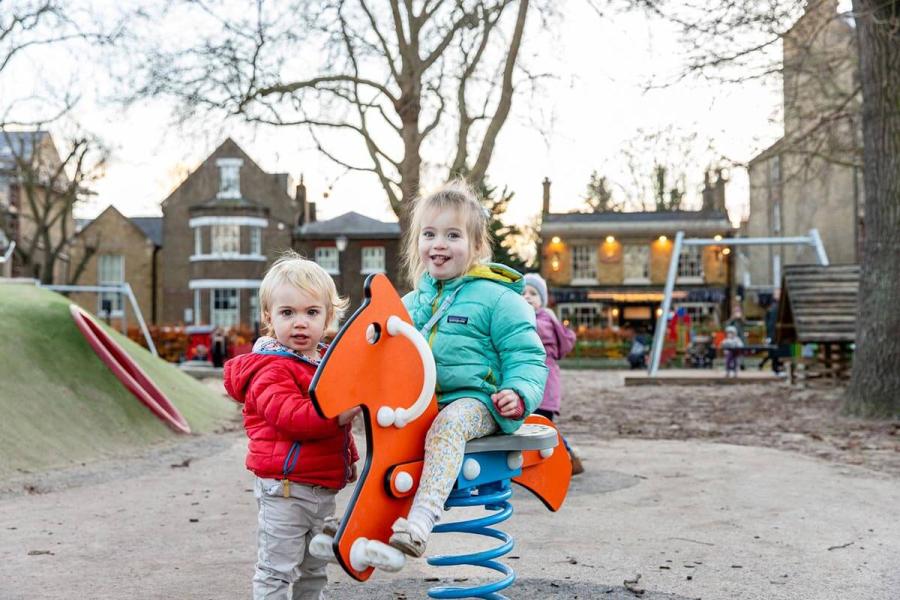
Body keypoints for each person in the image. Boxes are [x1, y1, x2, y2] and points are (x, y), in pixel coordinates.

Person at [388, 180, 548, 559]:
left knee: (451, 422)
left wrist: (519, 393)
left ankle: (422, 520)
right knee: (385, 428)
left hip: (478, 402)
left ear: (476, 247)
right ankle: (366, 517)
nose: (438, 243)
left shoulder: (498, 299)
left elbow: (526, 356)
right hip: (423, 403)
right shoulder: (410, 303)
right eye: (429, 234)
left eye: (452, 235)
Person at [224, 252, 360, 600]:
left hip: (320, 488)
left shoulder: (321, 364)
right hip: (284, 490)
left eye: (311, 312)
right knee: (277, 569)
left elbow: (336, 430)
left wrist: (349, 456)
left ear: (329, 316)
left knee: (314, 569)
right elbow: (295, 418)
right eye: (288, 313)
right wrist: (339, 415)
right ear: (269, 317)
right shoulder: (271, 368)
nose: (300, 323)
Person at [522, 272, 584, 475]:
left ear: (543, 300)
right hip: (530, 382)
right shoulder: (525, 318)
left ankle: (567, 456)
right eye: (523, 293)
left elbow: (534, 331)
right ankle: (539, 461)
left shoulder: (544, 318)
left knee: (543, 425)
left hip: (544, 383)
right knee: (531, 424)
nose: (528, 296)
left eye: (533, 293)